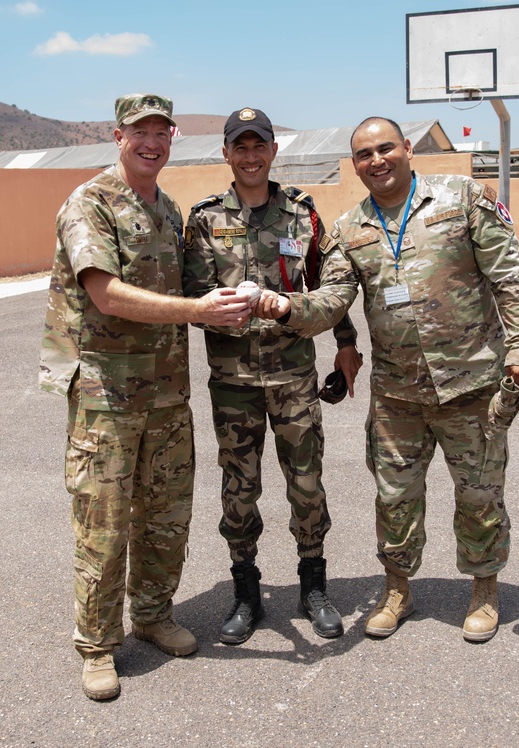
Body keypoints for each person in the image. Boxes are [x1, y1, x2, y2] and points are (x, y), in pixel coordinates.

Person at [259, 116, 519, 643]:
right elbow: (331, 301)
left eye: (385, 148)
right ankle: (397, 589)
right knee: (394, 498)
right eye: (365, 154)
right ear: (355, 164)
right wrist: (283, 307)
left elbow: (511, 276)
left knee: (479, 494)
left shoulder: (460, 199)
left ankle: (484, 588)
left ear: (407, 148)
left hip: (471, 386)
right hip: (396, 396)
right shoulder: (350, 229)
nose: (377, 160)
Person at [39, 93, 252, 701]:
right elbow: (106, 294)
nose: (152, 142)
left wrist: (241, 296)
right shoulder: (90, 203)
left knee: (165, 517)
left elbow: (193, 283)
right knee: (103, 526)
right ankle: (98, 645)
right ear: (118, 137)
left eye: (162, 132)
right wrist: (196, 309)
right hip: (106, 394)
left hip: (165, 394)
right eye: (141, 133)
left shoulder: (167, 208)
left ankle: (153, 614)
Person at [182, 108, 363, 644]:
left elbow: (326, 286)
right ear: (226, 154)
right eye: (241, 146)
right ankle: (246, 591)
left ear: (273, 151)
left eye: (259, 144)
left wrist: (347, 343)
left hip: (293, 378)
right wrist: (210, 308)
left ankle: (313, 585)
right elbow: (189, 298)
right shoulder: (205, 219)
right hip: (233, 381)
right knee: (239, 491)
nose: (251, 155)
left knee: (306, 486)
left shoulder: (302, 215)